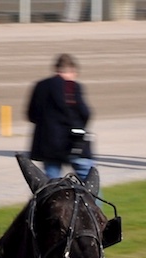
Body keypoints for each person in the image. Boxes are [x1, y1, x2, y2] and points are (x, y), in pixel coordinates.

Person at [26, 53, 94, 183]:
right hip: (73, 142)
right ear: (73, 71)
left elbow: (31, 115)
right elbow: (85, 113)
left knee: (52, 185)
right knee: (89, 180)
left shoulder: (40, 86)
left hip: (48, 145)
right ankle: (92, 203)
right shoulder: (72, 86)